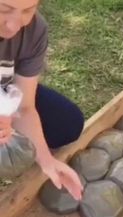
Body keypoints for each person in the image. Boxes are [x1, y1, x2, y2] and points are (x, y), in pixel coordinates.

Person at [0, 0, 84, 200]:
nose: (13, 25)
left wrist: (47, 161)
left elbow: (26, 107)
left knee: (66, 123)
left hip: (5, 90)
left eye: (27, 10)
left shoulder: (35, 29)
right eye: (4, 9)